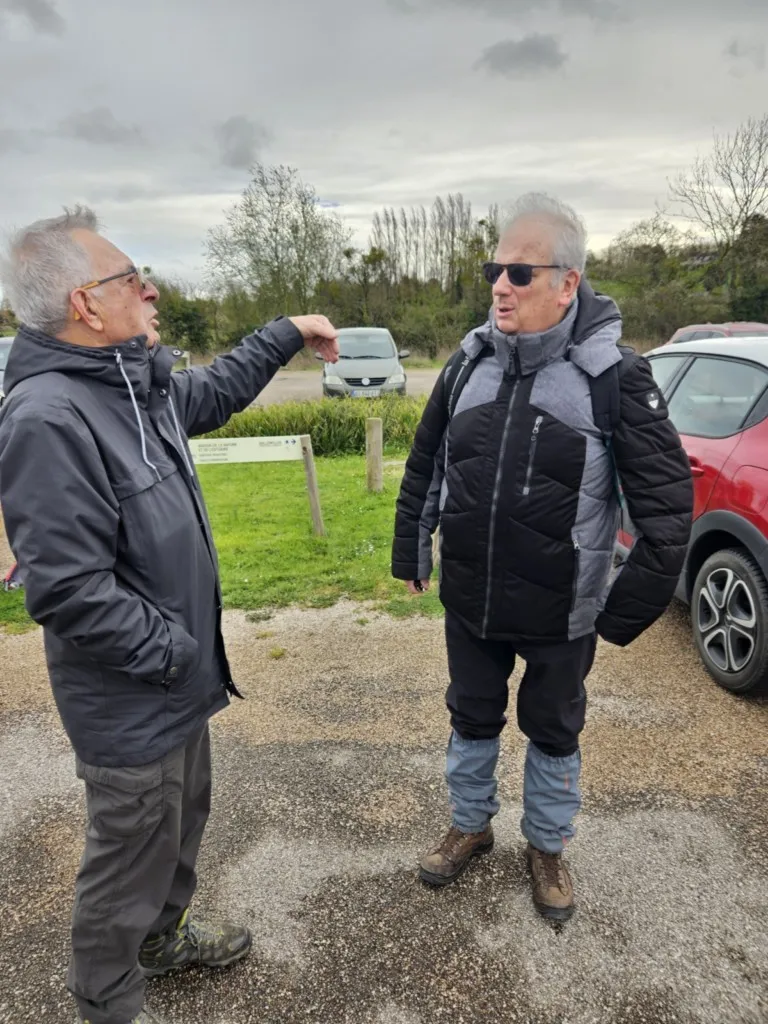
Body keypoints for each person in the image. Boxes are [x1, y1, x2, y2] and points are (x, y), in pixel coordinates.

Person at [0, 206, 339, 1024]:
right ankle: (109, 1001)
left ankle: (162, 941)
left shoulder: (130, 388)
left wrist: (287, 331)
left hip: (174, 685)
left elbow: (214, 390)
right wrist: (174, 653)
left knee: (178, 829)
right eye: (132, 278)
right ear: (86, 303)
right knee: (126, 865)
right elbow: (67, 589)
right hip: (133, 700)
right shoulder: (51, 415)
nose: (149, 290)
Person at [392, 193, 693, 922]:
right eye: (495, 269)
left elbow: (666, 513)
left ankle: (548, 845)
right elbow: (426, 462)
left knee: (554, 729)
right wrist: (411, 546)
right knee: (471, 715)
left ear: (567, 283)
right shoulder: (465, 365)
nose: (500, 285)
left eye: (520, 273)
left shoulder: (614, 377)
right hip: (472, 596)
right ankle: (470, 824)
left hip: (563, 610)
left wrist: (616, 614)